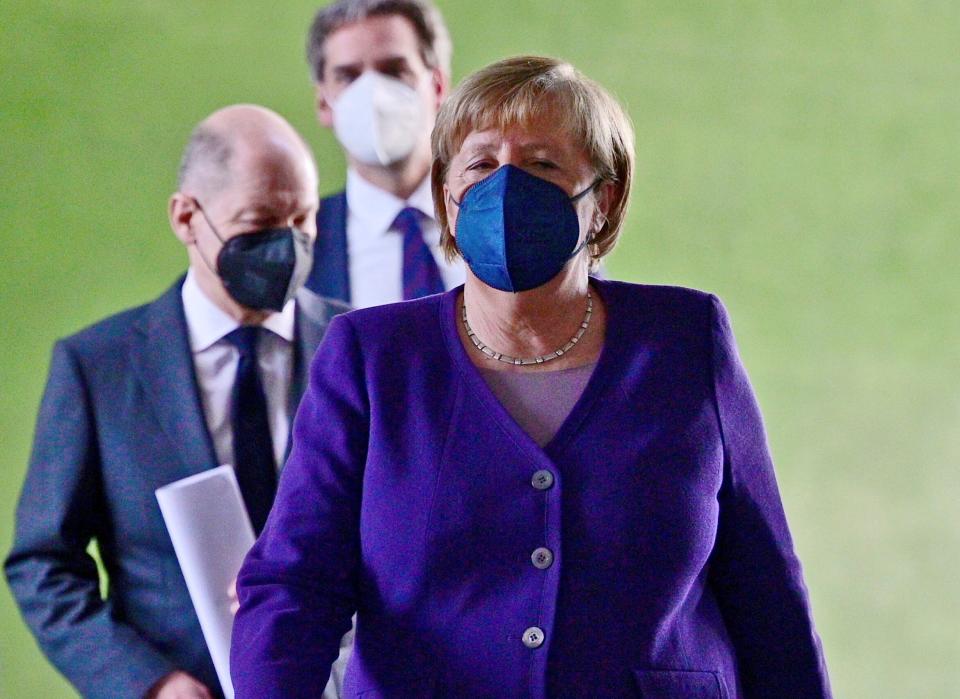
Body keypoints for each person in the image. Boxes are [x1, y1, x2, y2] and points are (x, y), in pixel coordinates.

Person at [230, 57, 833, 698]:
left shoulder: (686, 338)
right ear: (447, 198)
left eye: (543, 164)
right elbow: (295, 584)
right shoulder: (372, 358)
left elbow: (766, 590)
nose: (506, 186)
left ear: (603, 200)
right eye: (482, 164)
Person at [5, 105, 349, 699]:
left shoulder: (362, 352)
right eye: (260, 221)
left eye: (304, 218)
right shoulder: (97, 368)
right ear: (187, 216)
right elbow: (44, 565)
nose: (287, 245)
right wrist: (150, 683)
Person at [303, 0, 464, 307]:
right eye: (348, 77)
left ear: (439, 87)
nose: (372, 94)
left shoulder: (499, 220)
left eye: (394, 70)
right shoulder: (303, 248)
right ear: (324, 103)